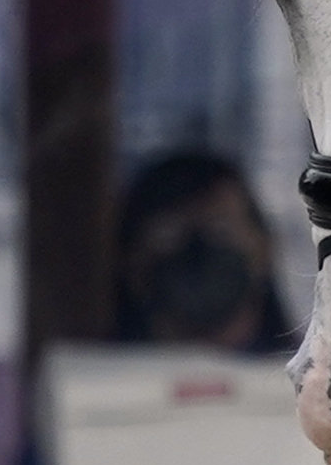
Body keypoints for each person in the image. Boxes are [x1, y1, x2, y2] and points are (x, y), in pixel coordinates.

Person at [111, 148, 296, 352]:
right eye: (171, 234)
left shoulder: (316, 377)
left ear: (263, 249)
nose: (198, 245)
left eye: (221, 230)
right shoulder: (91, 377)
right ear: (132, 261)